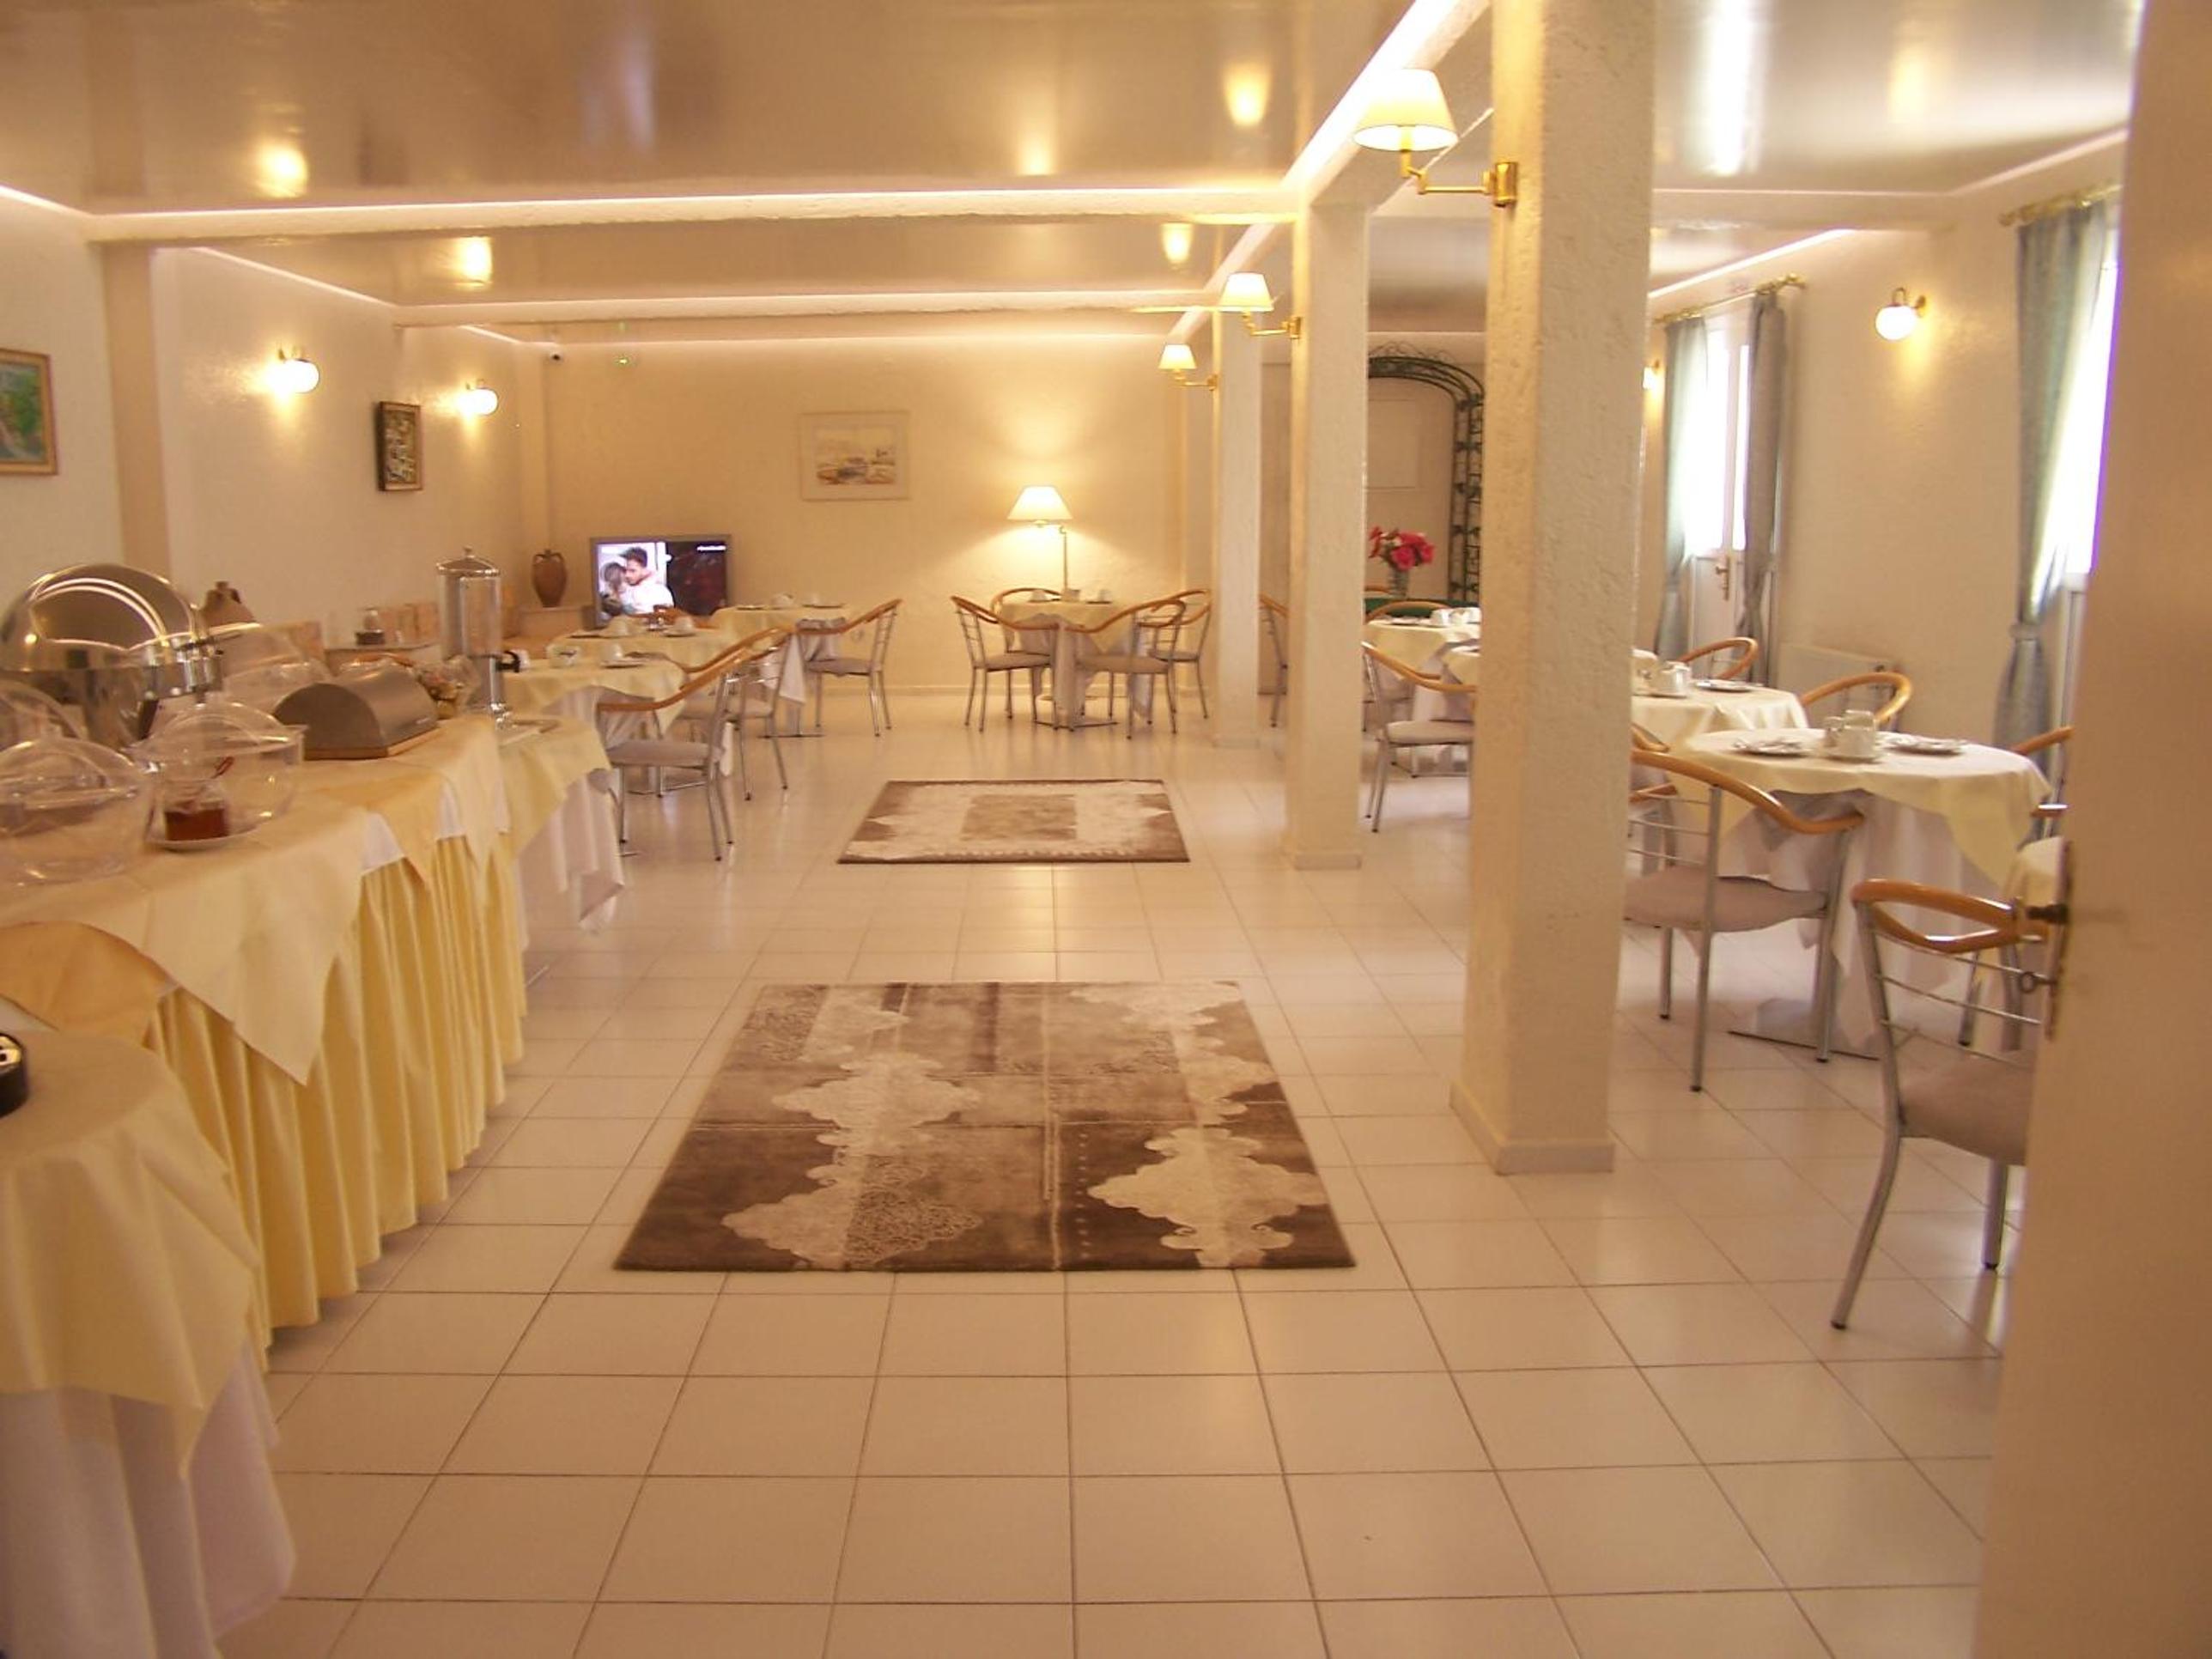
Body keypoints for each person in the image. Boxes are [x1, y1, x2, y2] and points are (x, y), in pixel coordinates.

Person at [619, 549, 674, 614]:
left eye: (632, 571)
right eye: (625, 570)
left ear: (645, 569)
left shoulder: (660, 592)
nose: (627, 575)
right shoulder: (625, 590)